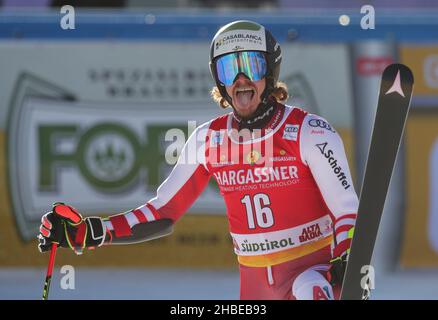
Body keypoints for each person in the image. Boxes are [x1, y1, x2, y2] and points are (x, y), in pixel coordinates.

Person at [37, 20, 358, 300]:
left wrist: (347, 257)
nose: (241, 79)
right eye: (229, 69)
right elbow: (163, 211)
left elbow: (346, 210)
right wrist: (90, 232)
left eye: (252, 66)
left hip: (313, 277)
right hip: (255, 289)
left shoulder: (309, 132)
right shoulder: (208, 140)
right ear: (219, 80)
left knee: (310, 288)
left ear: (271, 74)